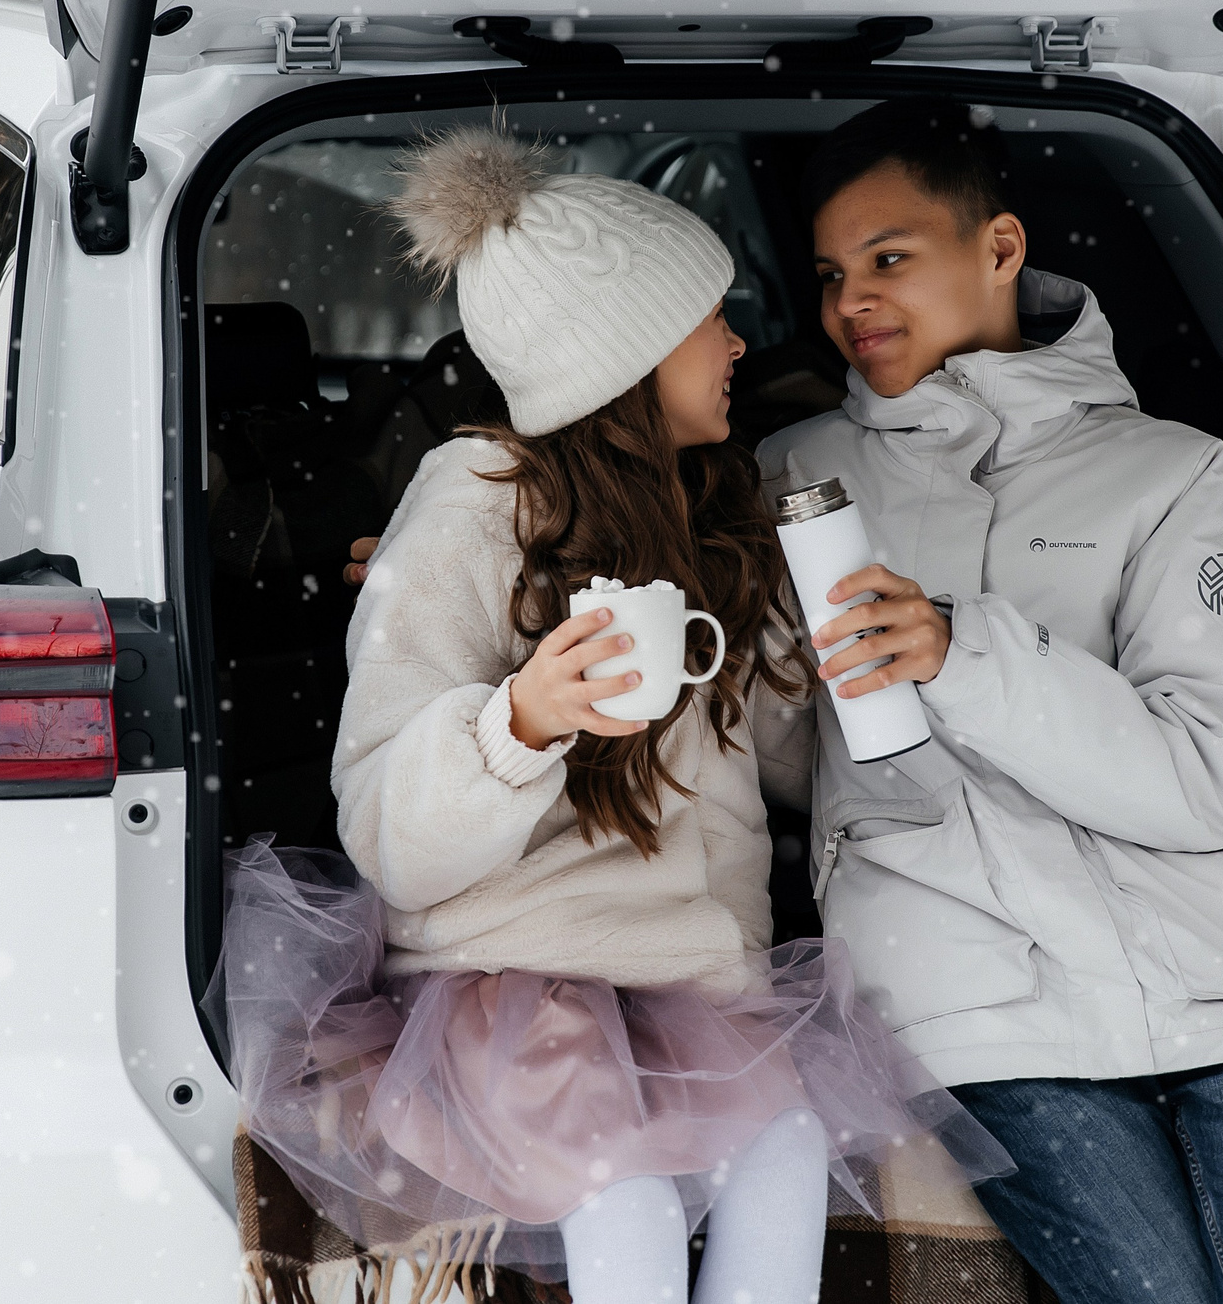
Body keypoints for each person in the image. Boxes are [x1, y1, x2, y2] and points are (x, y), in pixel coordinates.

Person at [222, 125, 1010, 1304]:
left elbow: (784, 769)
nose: (743, 340)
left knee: (790, 1158)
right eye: (712, 319)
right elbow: (387, 833)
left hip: (695, 975)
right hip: (515, 977)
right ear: (626, 357)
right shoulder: (474, 508)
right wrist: (521, 722)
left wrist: (824, 651)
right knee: (624, 1198)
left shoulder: (719, 511)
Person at [756, 98, 1223, 1304]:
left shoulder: (1166, 469)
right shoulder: (794, 477)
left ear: (998, 247)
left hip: (1216, 973)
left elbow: (1199, 783)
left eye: (889, 258)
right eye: (831, 273)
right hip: (971, 993)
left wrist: (961, 655)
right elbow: (783, 768)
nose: (851, 302)